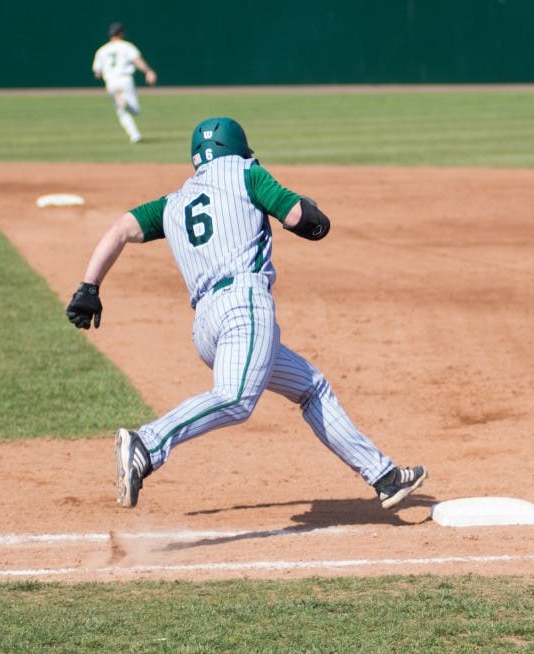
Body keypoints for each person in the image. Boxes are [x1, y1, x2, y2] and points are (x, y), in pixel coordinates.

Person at [65, 117, 428, 511]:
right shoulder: (246, 173)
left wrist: (89, 286)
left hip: (206, 327)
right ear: (238, 148)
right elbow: (300, 219)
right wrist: (316, 218)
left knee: (311, 387)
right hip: (244, 307)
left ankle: (383, 476)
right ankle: (147, 443)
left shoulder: (173, 203)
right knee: (235, 399)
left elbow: (119, 229)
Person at [91, 22, 158, 143]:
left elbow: (97, 73)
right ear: (121, 32)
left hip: (110, 82)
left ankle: (134, 136)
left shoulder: (102, 50)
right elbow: (137, 61)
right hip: (125, 79)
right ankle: (126, 105)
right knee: (135, 111)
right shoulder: (126, 46)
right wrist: (148, 71)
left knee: (121, 112)